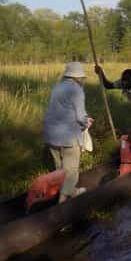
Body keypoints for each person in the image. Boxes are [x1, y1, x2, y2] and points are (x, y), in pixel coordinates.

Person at [42, 61, 93, 203]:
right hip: (68, 136)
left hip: (51, 134)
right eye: (82, 77)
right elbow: (80, 116)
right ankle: (62, 202)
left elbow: (62, 110)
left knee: (59, 169)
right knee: (71, 172)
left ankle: (71, 191)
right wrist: (87, 121)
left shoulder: (57, 87)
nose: (83, 80)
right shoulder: (77, 90)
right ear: (78, 78)